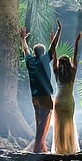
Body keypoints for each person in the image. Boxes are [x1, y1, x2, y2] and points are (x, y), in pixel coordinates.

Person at [20, 22, 60, 153]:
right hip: (44, 96)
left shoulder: (30, 61)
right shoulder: (44, 59)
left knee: (39, 122)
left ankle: (40, 146)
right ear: (43, 53)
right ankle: (37, 147)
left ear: (35, 53)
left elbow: (26, 50)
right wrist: (59, 30)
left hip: (34, 97)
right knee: (44, 122)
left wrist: (23, 39)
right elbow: (53, 46)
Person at [52, 26, 82, 155]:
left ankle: (60, 150)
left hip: (58, 102)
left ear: (59, 64)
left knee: (59, 127)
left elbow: (54, 56)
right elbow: (75, 57)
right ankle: (70, 149)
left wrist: (53, 42)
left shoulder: (56, 72)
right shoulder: (73, 72)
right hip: (69, 102)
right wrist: (76, 41)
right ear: (69, 64)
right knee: (70, 124)